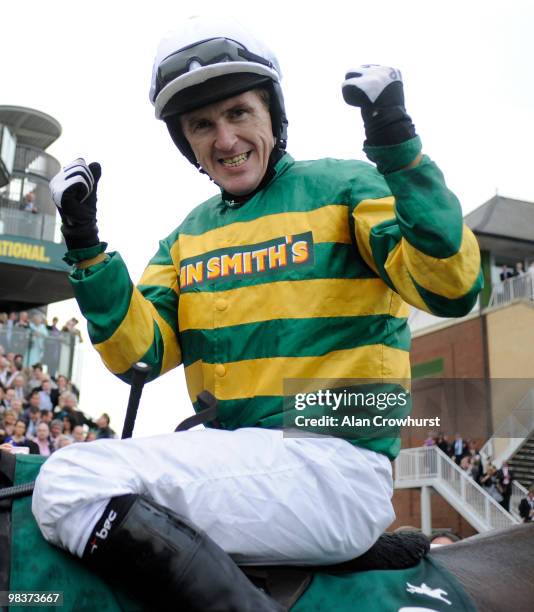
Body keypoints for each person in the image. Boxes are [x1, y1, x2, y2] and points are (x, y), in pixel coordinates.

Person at [33, 17, 482, 609]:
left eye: (239, 114)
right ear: (186, 142)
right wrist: (87, 246)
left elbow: (451, 287)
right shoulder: (184, 239)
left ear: (273, 116)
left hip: (331, 470)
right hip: (239, 467)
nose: (224, 140)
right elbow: (138, 356)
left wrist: (397, 147)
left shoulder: (347, 186)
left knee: (68, 482)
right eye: (202, 125)